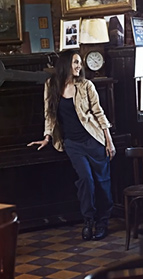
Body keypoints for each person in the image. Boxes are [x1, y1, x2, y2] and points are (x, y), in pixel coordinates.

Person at [27, 50, 116, 241]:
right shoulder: (51, 85)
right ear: (66, 63)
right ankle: (89, 221)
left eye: (80, 63)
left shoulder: (86, 85)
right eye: (76, 62)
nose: (79, 66)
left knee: (102, 182)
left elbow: (99, 113)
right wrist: (47, 137)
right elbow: (49, 114)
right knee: (86, 180)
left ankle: (103, 222)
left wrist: (109, 141)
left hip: (94, 140)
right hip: (73, 143)